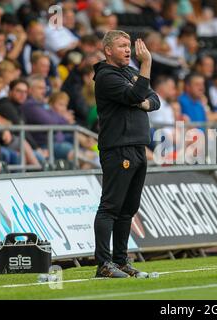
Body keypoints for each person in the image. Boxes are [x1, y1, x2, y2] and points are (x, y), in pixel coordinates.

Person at [93, 30, 160, 278]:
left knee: (128, 208)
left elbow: (153, 98)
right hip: (118, 147)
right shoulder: (106, 76)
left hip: (137, 147)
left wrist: (142, 101)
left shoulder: (131, 73)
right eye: (122, 46)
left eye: (129, 46)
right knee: (110, 206)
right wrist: (147, 63)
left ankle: (121, 261)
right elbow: (135, 94)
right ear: (108, 50)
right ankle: (103, 264)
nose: (128, 50)